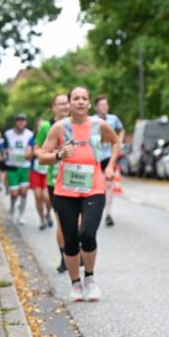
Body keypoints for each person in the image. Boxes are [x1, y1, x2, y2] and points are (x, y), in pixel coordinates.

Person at [37, 86, 120, 302]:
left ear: (89, 104)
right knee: (71, 239)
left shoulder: (98, 125)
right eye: (76, 98)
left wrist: (110, 166)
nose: (80, 102)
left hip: (94, 188)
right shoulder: (59, 128)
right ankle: (75, 284)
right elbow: (42, 157)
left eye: (84, 98)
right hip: (65, 191)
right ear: (70, 103)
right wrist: (59, 154)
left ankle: (90, 279)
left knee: (88, 234)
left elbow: (115, 142)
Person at [36, 93, 71, 273]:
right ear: (53, 107)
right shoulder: (46, 127)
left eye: (67, 103)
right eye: (61, 104)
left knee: (78, 222)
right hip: (55, 179)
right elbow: (37, 149)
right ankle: (64, 256)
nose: (65, 106)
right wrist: (52, 155)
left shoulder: (77, 124)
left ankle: (74, 252)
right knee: (62, 222)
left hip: (76, 179)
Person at [94, 96, 124, 227]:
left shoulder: (113, 119)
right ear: (96, 107)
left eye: (106, 105)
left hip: (109, 156)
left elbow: (121, 129)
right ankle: (96, 209)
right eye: (101, 105)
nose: (104, 107)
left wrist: (119, 141)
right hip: (96, 156)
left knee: (109, 185)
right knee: (97, 185)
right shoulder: (92, 121)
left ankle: (108, 213)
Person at [3, 114, 34, 225]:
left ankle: (21, 215)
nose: (21, 123)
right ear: (15, 122)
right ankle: (12, 207)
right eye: (19, 121)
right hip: (12, 166)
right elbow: (5, 148)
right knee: (14, 193)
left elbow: (32, 148)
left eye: (23, 121)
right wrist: (4, 154)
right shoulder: (8, 134)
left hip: (24, 167)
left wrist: (30, 154)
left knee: (24, 192)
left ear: (25, 122)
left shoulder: (30, 134)